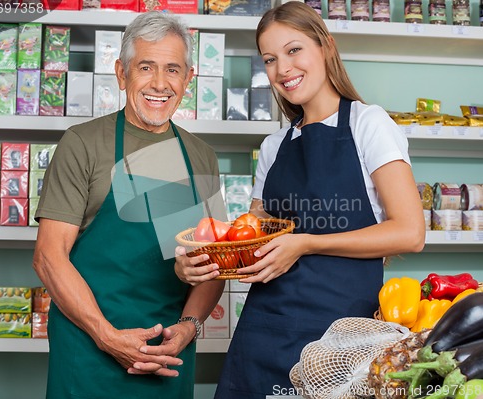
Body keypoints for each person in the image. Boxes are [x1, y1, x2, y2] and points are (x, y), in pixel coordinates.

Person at [174, 2, 425, 398]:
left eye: (294, 50)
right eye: (270, 59)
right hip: (265, 332)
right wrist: (204, 260)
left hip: (342, 343)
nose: (283, 69)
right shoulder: (274, 146)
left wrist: (306, 243)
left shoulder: (368, 124)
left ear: (325, 46)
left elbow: (410, 233)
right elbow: (251, 239)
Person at [33, 11, 225, 399]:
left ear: (188, 79)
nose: (159, 83)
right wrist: (107, 337)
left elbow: (214, 264)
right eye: (145, 67)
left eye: (172, 70)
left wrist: (187, 328)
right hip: (88, 356)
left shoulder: (200, 156)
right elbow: (49, 258)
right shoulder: (83, 144)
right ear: (122, 74)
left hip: (167, 359)